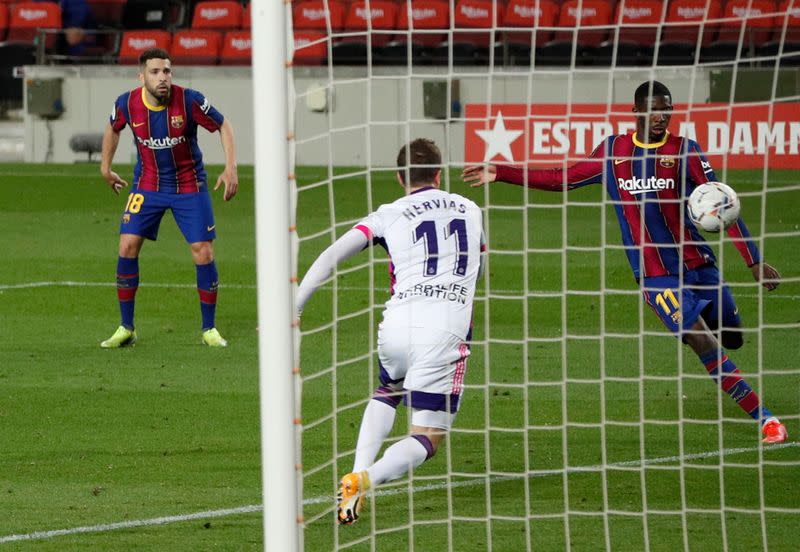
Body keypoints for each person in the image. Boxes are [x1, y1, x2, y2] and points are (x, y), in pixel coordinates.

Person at [462, 80, 787, 444]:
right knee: (702, 341)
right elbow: (563, 178)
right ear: (636, 112)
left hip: (698, 264)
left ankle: (733, 357)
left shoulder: (686, 151)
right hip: (655, 276)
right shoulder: (613, 152)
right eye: (653, 109)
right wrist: (503, 172)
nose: (661, 116)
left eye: (666, 109)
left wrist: (753, 261)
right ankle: (767, 420)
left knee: (733, 336)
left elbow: (723, 205)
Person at [297, 139, 486, 524]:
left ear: (400, 177)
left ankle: (353, 481)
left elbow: (332, 254)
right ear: (439, 172)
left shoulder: (388, 212)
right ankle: (364, 479)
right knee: (427, 437)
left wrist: (295, 306)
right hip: (444, 327)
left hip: (396, 324)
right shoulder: (471, 208)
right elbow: (478, 269)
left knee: (389, 388)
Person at [100, 48, 238, 348]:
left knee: (203, 251)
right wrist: (105, 167)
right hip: (147, 184)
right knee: (126, 245)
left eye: (167, 71)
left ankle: (209, 329)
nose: (163, 78)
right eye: (155, 72)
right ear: (142, 76)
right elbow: (113, 129)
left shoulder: (190, 100)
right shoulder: (127, 103)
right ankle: (126, 327)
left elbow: (223, 125)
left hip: (189, 185)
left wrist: (230, 167)